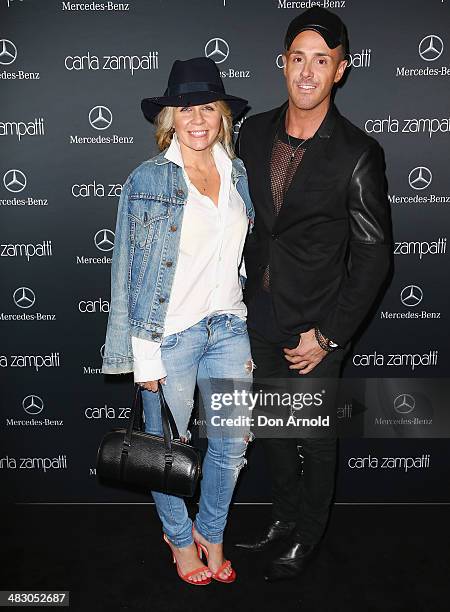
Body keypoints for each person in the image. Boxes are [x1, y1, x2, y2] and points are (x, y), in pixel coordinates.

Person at [235, 7, 392, 581]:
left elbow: (374, 257)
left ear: (340, 70)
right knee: (274, 429)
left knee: (315, 438)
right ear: (284, 64)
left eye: (320, 61)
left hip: (318, 325)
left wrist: (327, 335)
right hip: (261, 315)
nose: (306, 72)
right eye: (297, 58)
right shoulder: (252, 132)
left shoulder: (356, 153)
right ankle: (281, 520)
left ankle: (308, 534)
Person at [101, 57, 255, 585]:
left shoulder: (237, 173)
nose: (197, 118)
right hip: (170, 336)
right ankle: (178, 535)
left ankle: (211, 531)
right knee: (163, 448)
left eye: (208, 108)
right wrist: (141, 354)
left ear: (222, 117)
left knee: (233, 444)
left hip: (229, 326)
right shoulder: (148, 179)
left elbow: (237, 257)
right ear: (170, 117)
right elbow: (127, 269)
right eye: (186, 108)